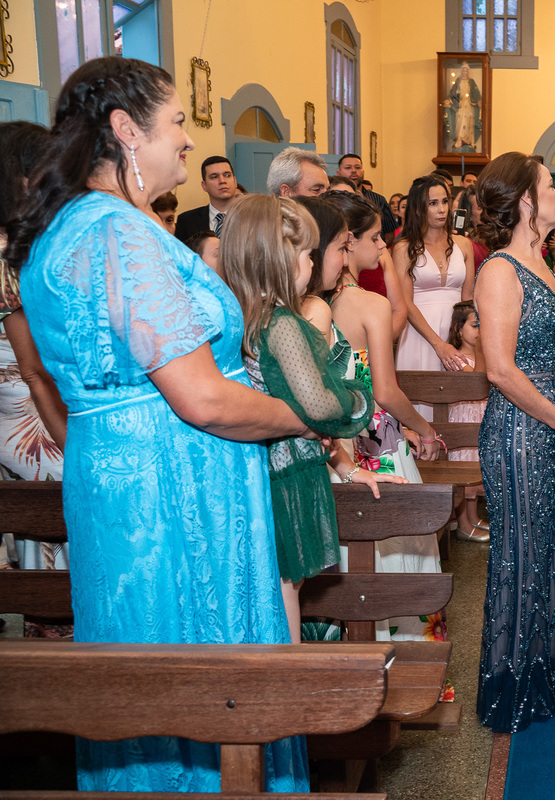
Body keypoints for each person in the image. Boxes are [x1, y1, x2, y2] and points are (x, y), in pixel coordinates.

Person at [6, 56, 308, 791]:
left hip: (114, 477)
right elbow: (200, 397)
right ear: (124, 130)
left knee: (137, 672)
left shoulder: (61, 228)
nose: (185, 139)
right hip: (178, 492)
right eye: (176, 121)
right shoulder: (120, 234)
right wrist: (297, 417)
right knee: (198, 673)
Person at [474, 151, 555, 732]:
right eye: (549, 187)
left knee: (552, 545)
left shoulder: (541, 261)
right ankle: (512, 686)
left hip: (549, 422)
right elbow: (500, 369)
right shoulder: (499, 270)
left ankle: (550, 669)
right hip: (521, 432)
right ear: (525, 200)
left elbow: (553, 344)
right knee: (521, 555)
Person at [221, 194, 381, 643]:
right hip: (289, 467)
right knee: (288, 586)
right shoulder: (285, 322)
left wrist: (345, 467)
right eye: (307, 254)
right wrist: (358, 401)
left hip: (272, 459)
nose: (312, 264)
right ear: (281, 260)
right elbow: (318, 404)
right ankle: (294, 672)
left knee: (279, 583)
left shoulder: (249, 315)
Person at [323, 190, 450, 643]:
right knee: (401, 538)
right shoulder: (369, 306)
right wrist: (423, 427)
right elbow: (384, 390)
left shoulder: (315, 305)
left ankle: (356, 645)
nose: (382, 247)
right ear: (348, 241)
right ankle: (406, 646)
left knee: (350, 548)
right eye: (375, 238)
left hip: (335, 444)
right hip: (374, 439)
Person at [0, 121, 67, 583]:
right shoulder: (7, 252)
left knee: (43, 515)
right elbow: (32, 366)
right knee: (60, 495)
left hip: (32, 395)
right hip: (24, 403)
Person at [393, 175, 476, 398]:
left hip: (457, 333)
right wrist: (438, 344)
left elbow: (468, 301)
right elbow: (405, 303)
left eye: (445, 202)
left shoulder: (464, 245)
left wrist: (465, 341)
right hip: (419, 334)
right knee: (422, 400)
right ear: (419, 208)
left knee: (457, 405)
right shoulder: (404, 248)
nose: (441, 210)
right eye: (433, 203)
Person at [446, 300, 489, 542]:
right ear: (458, 329)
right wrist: (482, 350)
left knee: (477, 466)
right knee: (465, 467)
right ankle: (462, 523)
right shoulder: (457, 359)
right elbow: (477, 384)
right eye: (475, 325)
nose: (480, 331)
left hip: (480, 418)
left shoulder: (482, 355)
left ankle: (472, 518)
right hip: (464, 419)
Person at [337, 153, 398, 244]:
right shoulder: (333, 200)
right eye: (348, 168)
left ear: (363, 172)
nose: (353, 171)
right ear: (339, 173)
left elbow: (389, 235)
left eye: (357, 167)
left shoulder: (378, 199)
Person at [175, 155, 236, 241]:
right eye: (214, 177)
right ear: (204, 186)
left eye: (227, 175)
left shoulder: (251, 217)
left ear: (235, 181)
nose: (222, 181)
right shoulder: (187, 220)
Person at [444, 63, 482, 152]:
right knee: (460, 121)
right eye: (463, 71)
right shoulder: (458, 81)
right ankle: (460, 139)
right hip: (460, 105)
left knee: (469, 122)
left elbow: (476, 94)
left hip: (469, 105)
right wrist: (448, 100)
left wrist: (479, 101)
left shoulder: (471, 82)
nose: (464, 72)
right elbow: (452, 94)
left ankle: (468, 140)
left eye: (466, 71)